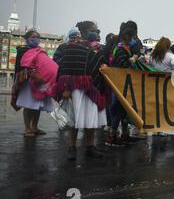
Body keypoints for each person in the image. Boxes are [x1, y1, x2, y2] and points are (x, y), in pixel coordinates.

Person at [55, 21, 108, 160]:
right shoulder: (72, 47)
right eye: (93, 30)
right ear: (84, 32)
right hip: (76, 89)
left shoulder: (98, 49)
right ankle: (72, 148)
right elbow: (65, 68)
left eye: (97, 31)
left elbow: (102, 66)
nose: (96, 33)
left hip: (93, 89)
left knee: (91, 119)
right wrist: (65, 89)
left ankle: (90, 147)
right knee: (74, 120)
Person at [12, 30, 58, 137]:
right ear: (27, 39)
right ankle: (27, 128)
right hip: (27, 82)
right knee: (28, 104)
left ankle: (34, 127)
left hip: (40, 81)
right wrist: (33, 75)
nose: (35, 39)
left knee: (37, 105)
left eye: (37, 37)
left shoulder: (40, 50)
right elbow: (21, 67)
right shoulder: (23, 50)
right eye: (33, 37)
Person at [105, 21, 143, 146]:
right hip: (120, 85)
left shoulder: (120, 47)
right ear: (127, 36)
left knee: (123, 111)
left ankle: (122, 135)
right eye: (132, 37)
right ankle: (112, 136)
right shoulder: (121, 49)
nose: (134, 40)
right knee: (119, 111)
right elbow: (122, 66)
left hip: (120, 84)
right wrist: (131, 61)